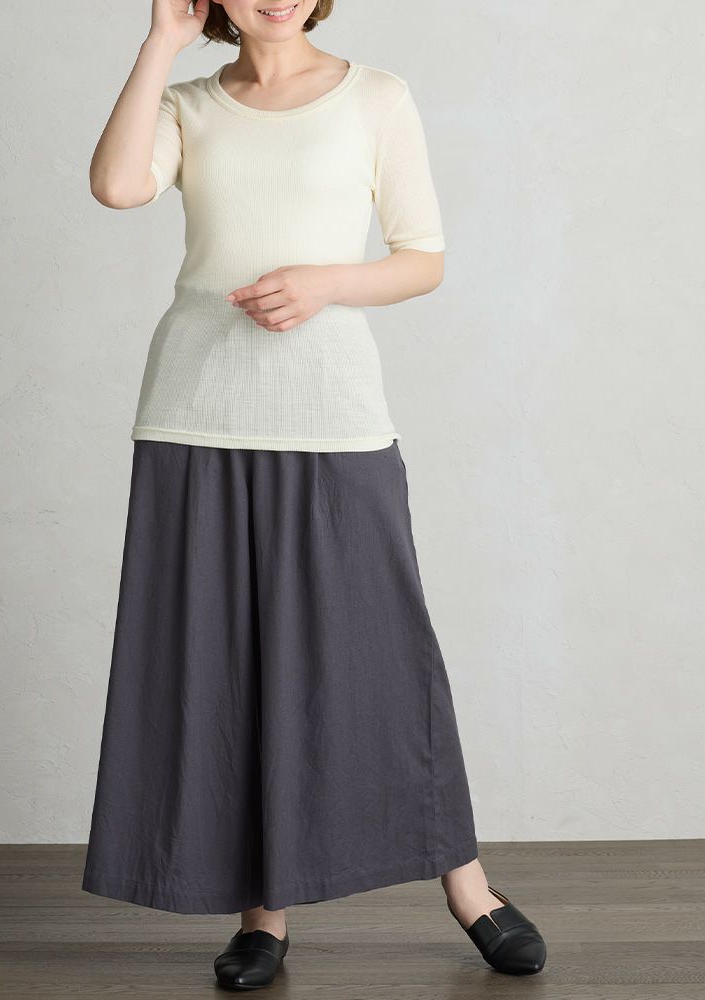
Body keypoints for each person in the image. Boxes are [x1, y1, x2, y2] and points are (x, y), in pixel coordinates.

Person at [83, 0, 547, 989]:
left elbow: (423, 260)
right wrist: (161, 40)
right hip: (194, 417)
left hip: (332, 415)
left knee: (386, 655)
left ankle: (469, 887)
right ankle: (264, 915)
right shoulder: (187, 104)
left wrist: (326, 284)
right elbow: (118, 186)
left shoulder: (375, 97)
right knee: (228, 667)